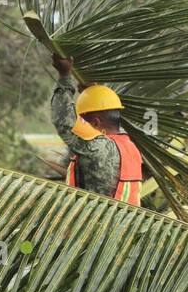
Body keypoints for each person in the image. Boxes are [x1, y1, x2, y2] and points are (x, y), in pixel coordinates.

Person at [49, 55, 144, 203]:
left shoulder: (99, 148)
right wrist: (92, 96)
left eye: (83, 121)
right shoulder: (131, 148)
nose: (81, 124)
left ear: (95, 123)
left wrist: (65, 76)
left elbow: (63, 121)